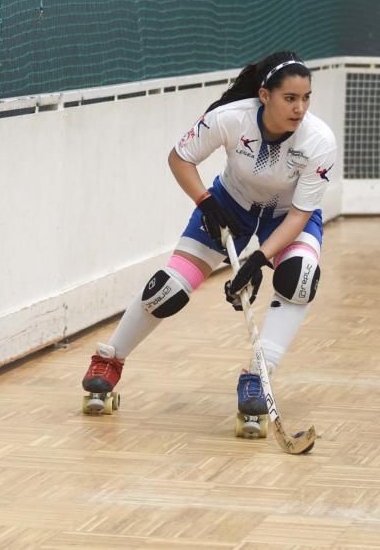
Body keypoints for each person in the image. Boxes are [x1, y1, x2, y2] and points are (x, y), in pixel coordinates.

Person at [81, 50, 337, 425]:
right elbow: (179, 158)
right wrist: (205, 201)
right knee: (168, 289)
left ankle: (256, 378)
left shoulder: (318, 141)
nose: (300, 108)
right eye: (290, 98)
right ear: (265, 96)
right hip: (229, 204)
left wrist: (257, 260)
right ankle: (109, 360)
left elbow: (300, 214)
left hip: (288, 215)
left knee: (298, 279)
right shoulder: (230, 119)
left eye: (306, 98)